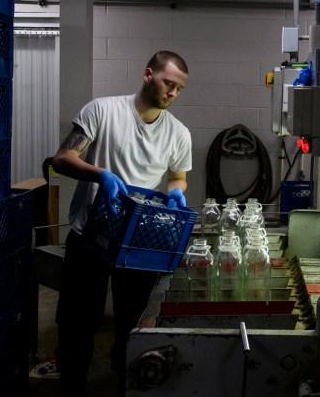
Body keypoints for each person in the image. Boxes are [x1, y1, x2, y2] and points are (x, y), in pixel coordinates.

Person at [51, 50, 191, 396]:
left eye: (179, 89)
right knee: (78, 324)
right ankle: (71, 385)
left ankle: (124, 380)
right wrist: (101, 175)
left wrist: (176, 191)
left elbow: (177, 176)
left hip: (140, 241)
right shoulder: (102, 110)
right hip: (92, 236)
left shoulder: (178, 133)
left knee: (134, 324)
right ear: (148, 75)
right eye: (167, 83)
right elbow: (62, 159)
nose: (172, 93)